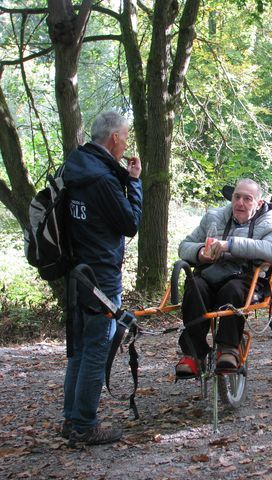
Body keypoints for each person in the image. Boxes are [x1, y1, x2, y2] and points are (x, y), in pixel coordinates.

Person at [62, 111, 143, 446]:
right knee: (96, 348)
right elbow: (130, 224)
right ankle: (85, 424)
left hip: (77, 271)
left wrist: (125, 176)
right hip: (101, 278)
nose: (126, 142)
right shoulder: (103, 180)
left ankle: (73, 420)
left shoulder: (75, 166)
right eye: (125, 137)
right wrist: (135, 183)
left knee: (80, 349)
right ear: (113, 139)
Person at [176, 179, 272, 374]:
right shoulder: (214, 217)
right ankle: (194, 352)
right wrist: (200, 252)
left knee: (232, 291)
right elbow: (184, 247)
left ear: (258, 203)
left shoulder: (269, 221)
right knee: (195, 288)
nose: (240, 203)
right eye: (237, 197)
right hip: (210, 274)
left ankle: (228, 349)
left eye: (247, 199)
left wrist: (230, 245)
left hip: (246, 279)